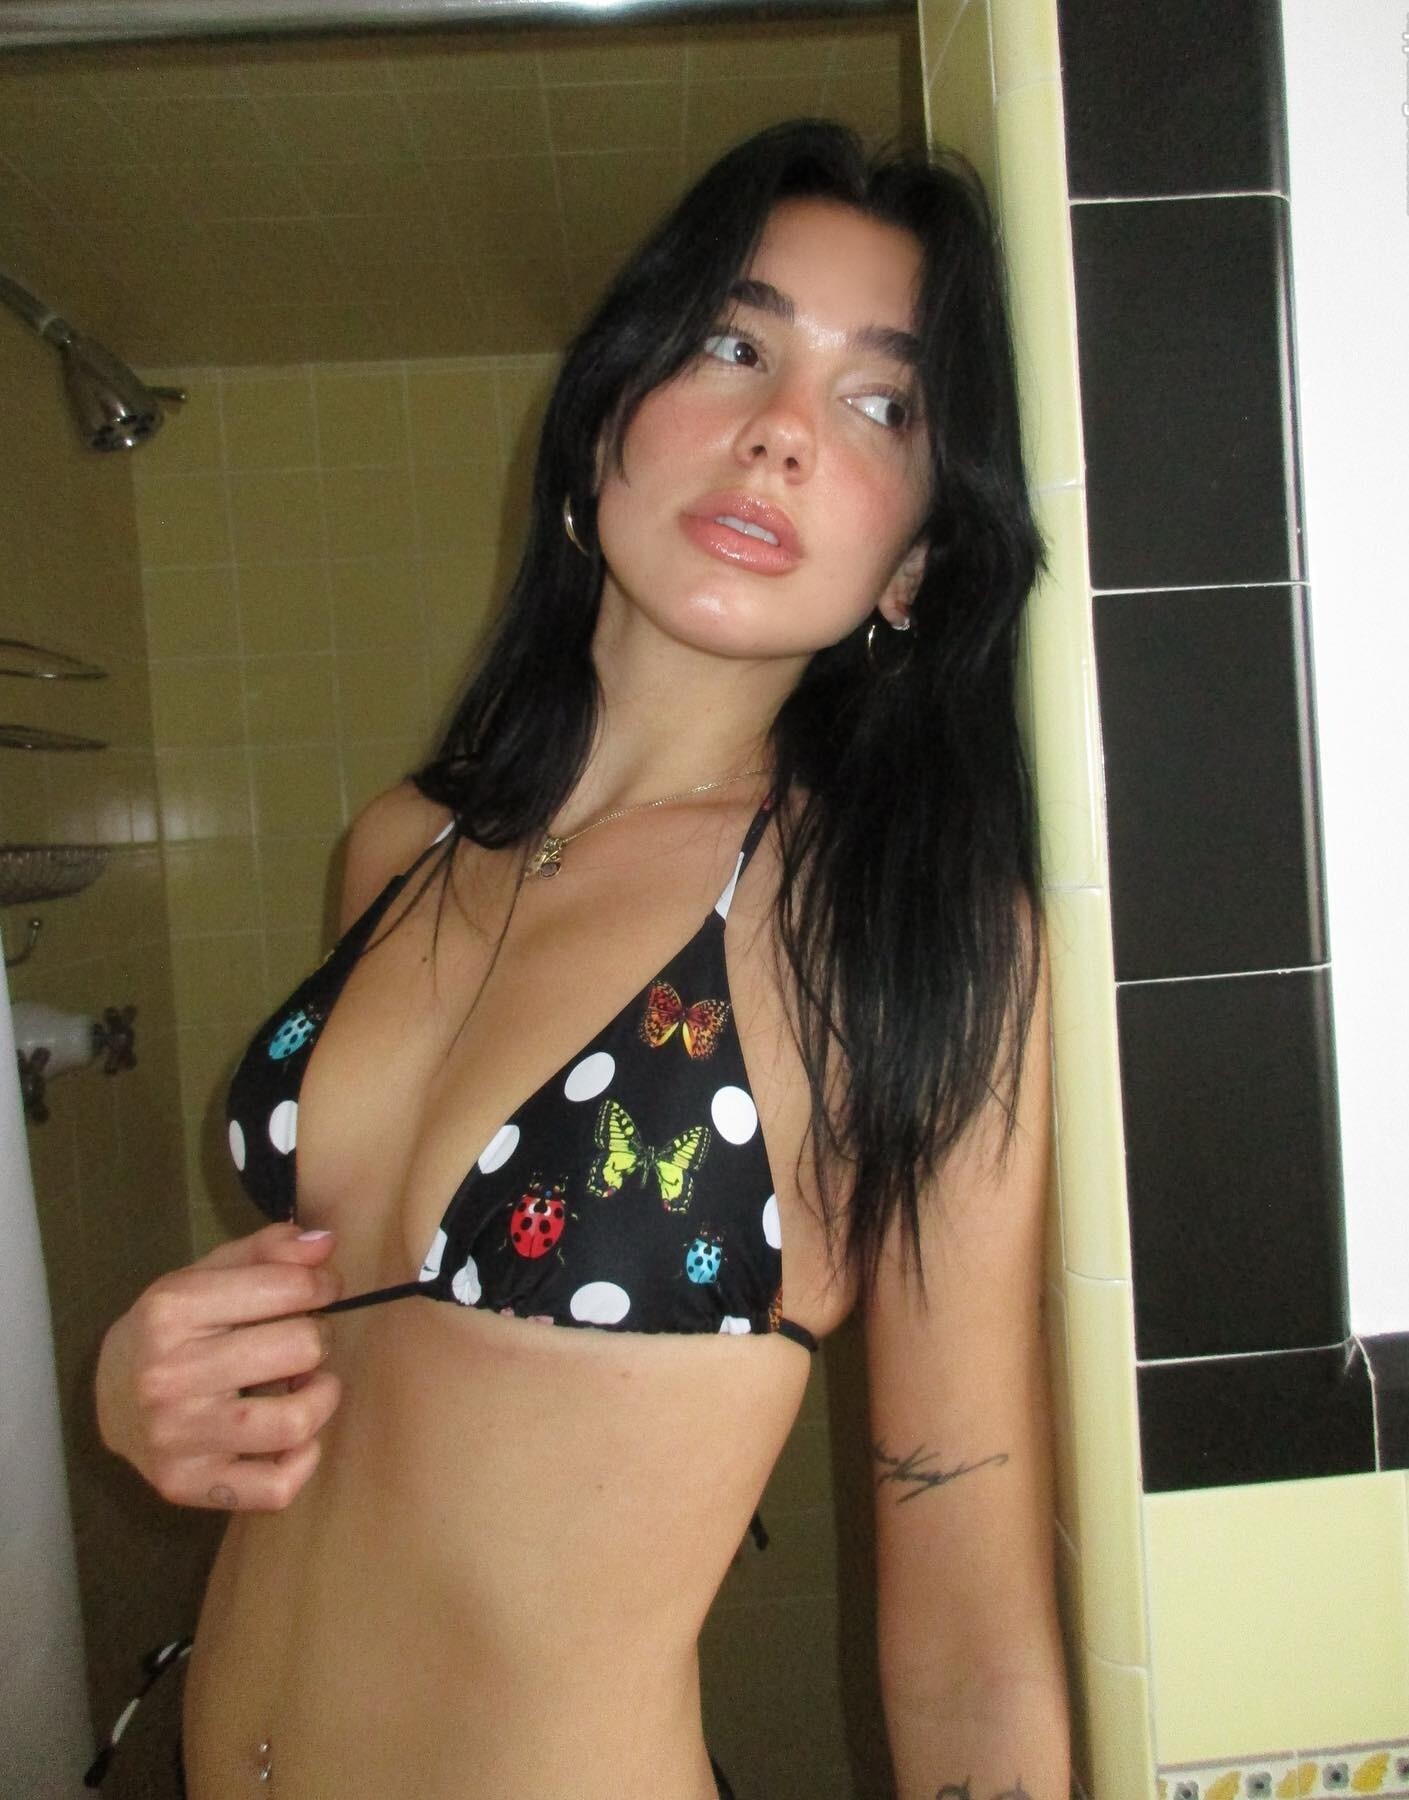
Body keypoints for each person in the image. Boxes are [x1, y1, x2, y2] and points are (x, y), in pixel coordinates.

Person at [95, 118, 1068, 1799]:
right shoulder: (402, 848)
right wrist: (150, 1394)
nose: (780, 430)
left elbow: (975, 1643)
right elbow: (367, 1347)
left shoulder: (898, 931)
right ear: (609, 412)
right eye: (734, 345)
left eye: (881, 405)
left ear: (915, 557)